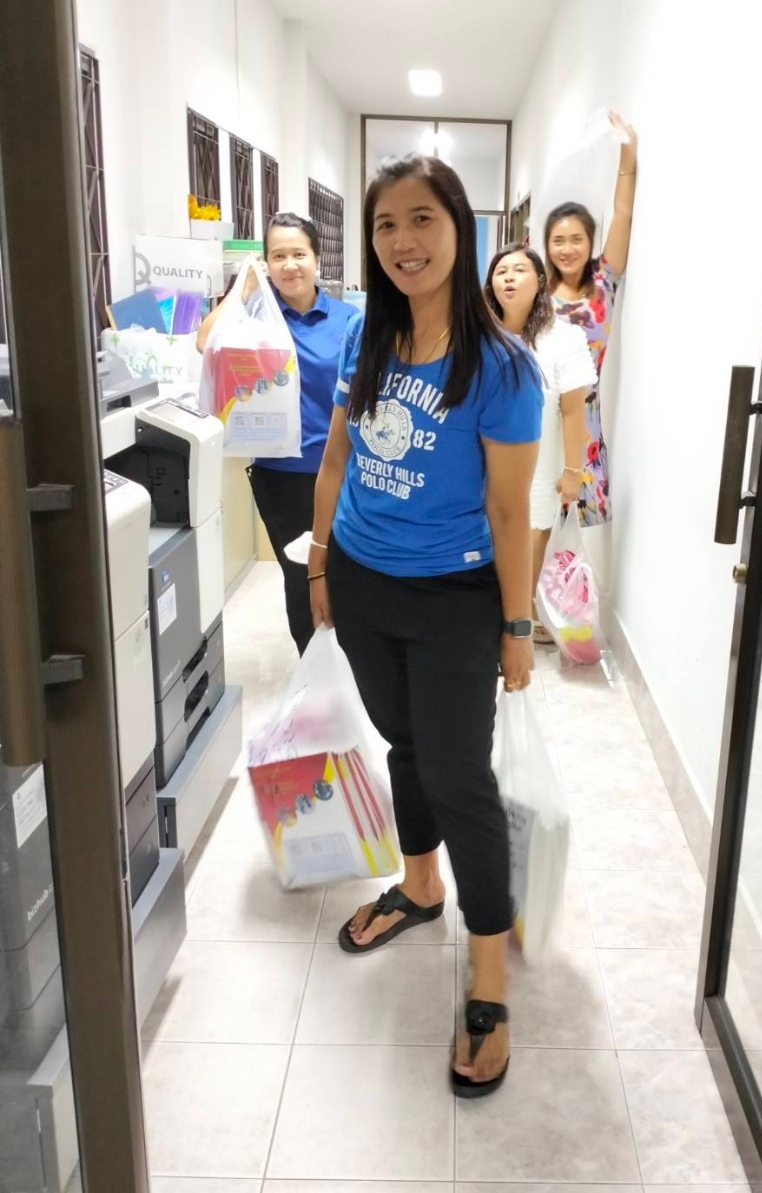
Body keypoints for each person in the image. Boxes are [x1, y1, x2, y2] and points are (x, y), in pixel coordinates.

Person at [306, 155, 543, 1098]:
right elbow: (335, 461)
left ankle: (488, 979)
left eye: (422, 220)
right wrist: (320, 562)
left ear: (460, 229)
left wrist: (516, 626)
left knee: (460, 778)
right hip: (363, 583)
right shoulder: (367, 336)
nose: (403, 241)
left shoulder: (503, 367)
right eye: (385, 225)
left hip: (454, 600)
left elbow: (510, 512)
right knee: (404, 744)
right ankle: (419, 884)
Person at [197, 212, 358, 654]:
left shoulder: (348, 320)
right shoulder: (255, 316)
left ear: (317, 260)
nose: (289, 265)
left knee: (346, 574)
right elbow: (205, 341)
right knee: (299, 576)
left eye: (298, 254)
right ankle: (312, 670)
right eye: (278, 256)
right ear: (266, 262)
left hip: (344, 472)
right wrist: (244, 289)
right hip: (282, 474)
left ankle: (353, 671)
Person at [484, 242, 596, 643]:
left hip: (540, 456)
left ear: (540, 281)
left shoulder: (563, 338)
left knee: (533, 532)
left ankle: (522, 612)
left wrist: (572, 470)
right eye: (501, 272)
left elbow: (572, 409)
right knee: (486, 532)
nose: (509, 278)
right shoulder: (480, 334)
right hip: (482, 455)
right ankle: (490, 612)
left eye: (519, 270)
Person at [544, 110, 637, 525]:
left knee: (575, 531)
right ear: (547, 246)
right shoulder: (537, 293)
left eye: (576, 239)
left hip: (585, 416)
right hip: (539, 411)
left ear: (590, 241)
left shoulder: (604, 280)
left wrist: (628, 150)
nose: (567, 249)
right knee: (533, 518)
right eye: (558, 241)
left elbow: (623, 213)